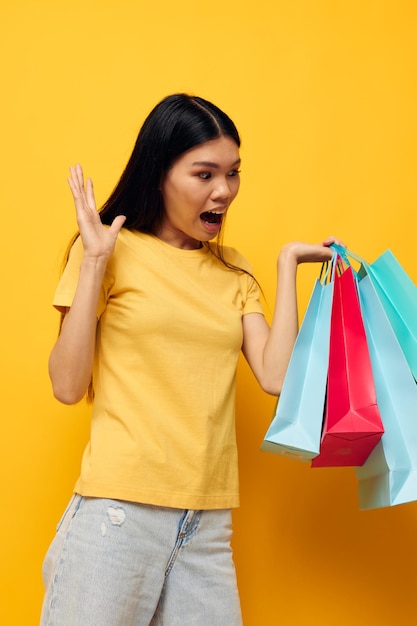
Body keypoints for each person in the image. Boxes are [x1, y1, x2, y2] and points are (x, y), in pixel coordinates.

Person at [40, 93, 341, 626]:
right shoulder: (110, 250)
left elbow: (276, 377)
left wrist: (287, 265)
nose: (223, 192)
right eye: (204, 174)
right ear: (160, 173)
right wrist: (92, 263)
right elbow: (67, 385)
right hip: (118, 516)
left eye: (232, 174)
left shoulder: (233, 272)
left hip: (205, 526)